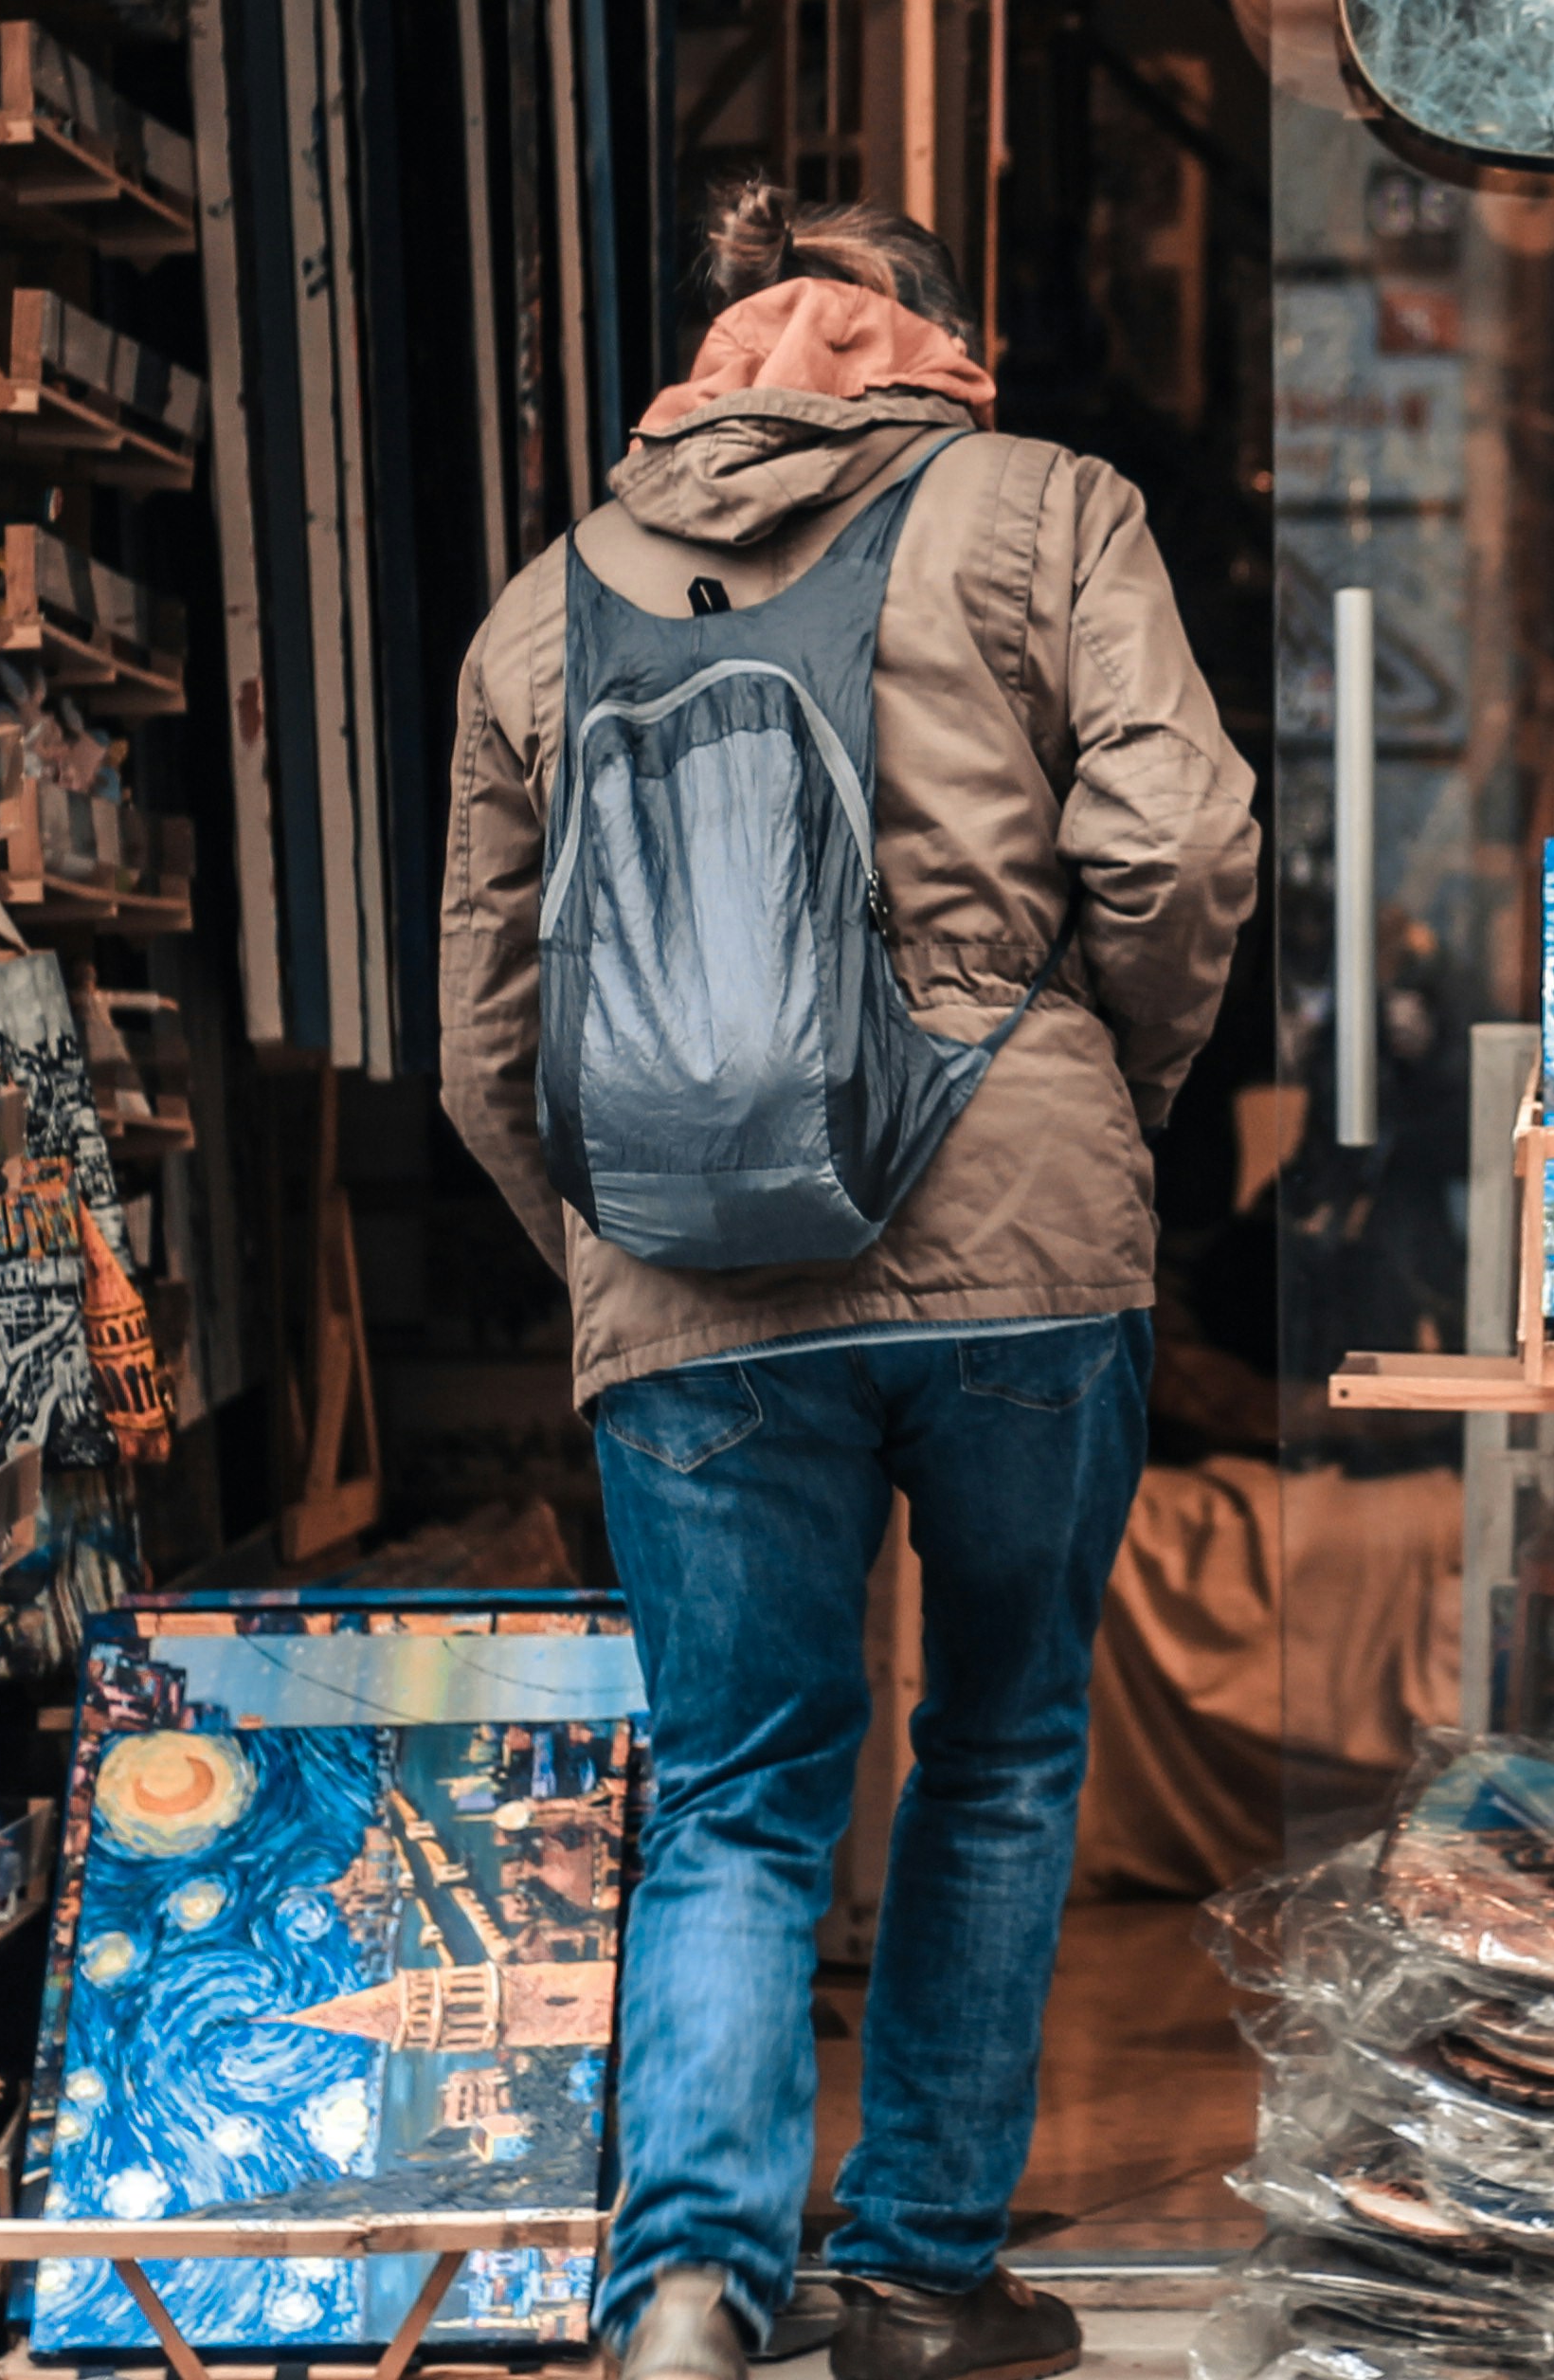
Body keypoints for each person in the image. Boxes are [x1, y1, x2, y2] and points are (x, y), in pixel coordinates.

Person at [440, 182, 1261, 2380]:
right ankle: (912, 2280)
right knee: (995, 1746)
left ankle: (691, 2295)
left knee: (736, 1782)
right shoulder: (1046, 505)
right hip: (1019, 1251)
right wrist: (1093, 1092)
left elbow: (482, 1042)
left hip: (683, 1297)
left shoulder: (539, 609)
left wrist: (629, 1251)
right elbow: (1179, 846)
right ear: (947, 348)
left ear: (722, 356)